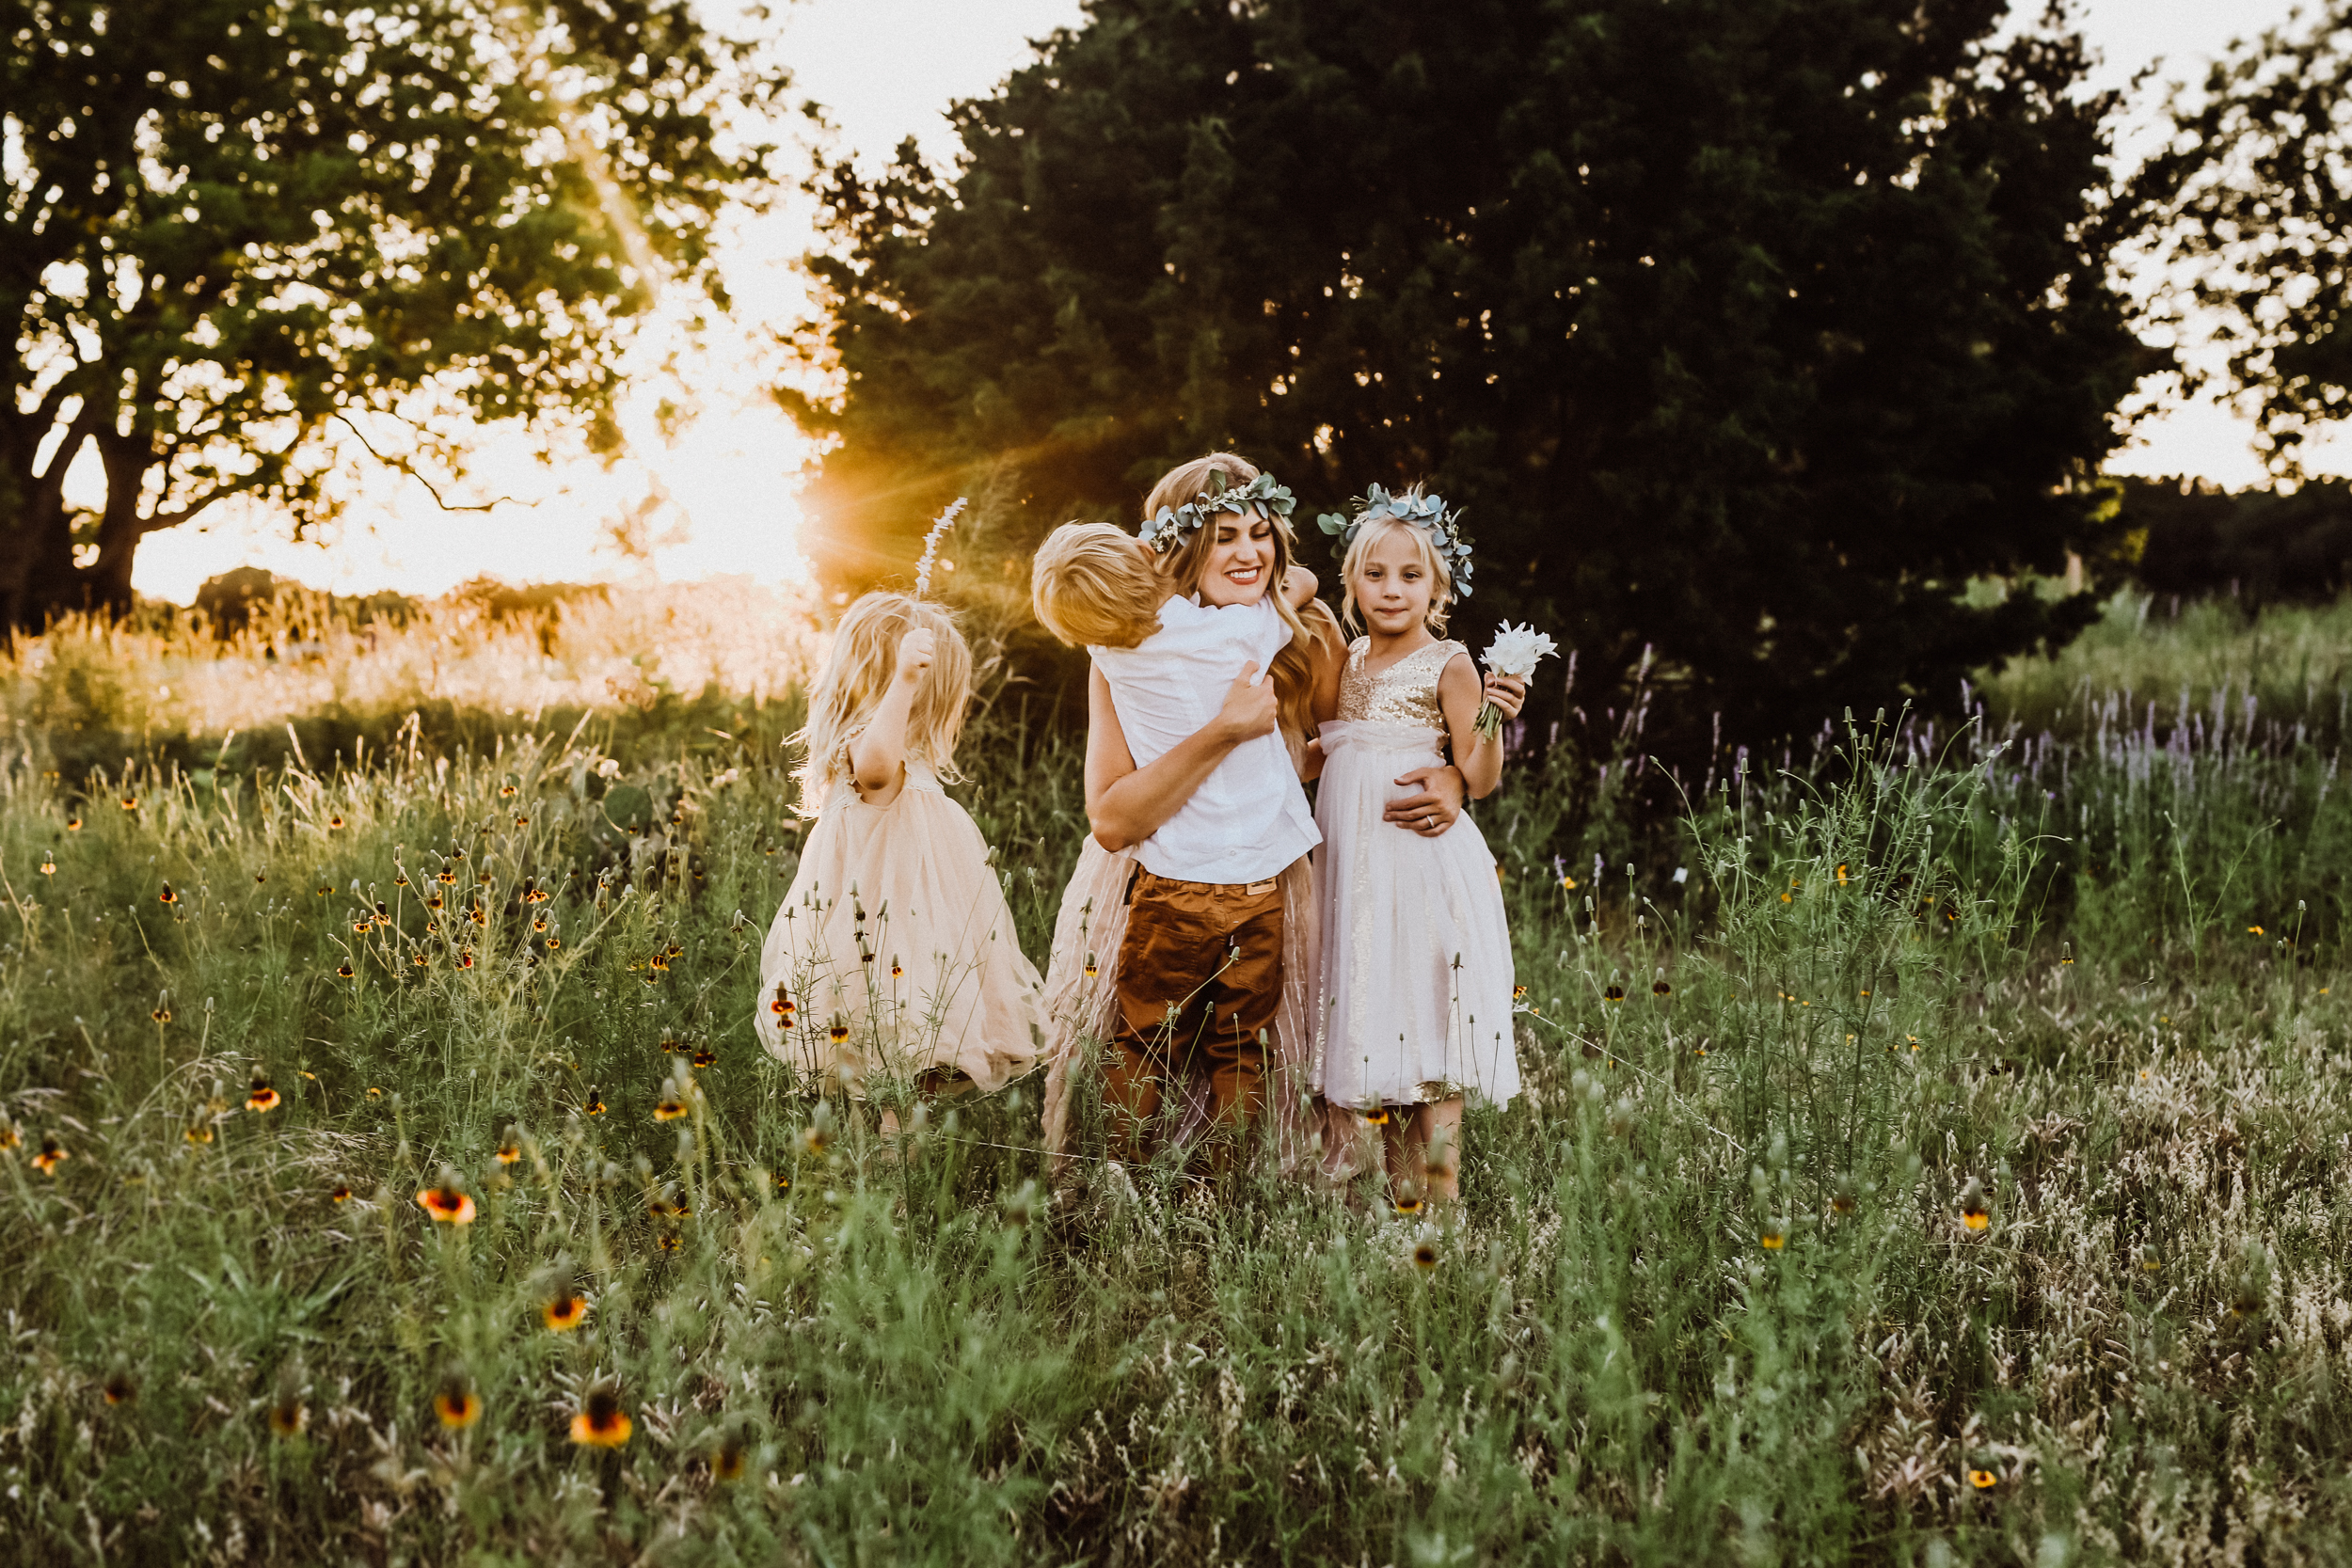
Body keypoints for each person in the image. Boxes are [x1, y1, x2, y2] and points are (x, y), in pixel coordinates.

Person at [1029, 454, 1336, 1180]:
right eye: (1224, 535)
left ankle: (1128, 1178)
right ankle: (1224, 1181)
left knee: (1147, 1041)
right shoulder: (1248, 633)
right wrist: (1227, 729)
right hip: (1190, 872)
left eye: (1261, 533)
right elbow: (1111, 819)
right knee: (1239, 1045)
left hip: (1201, 874)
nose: (1250, 553)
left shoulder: (1114, 639)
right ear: (1176, 548)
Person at [753, 592, 1041, 1135]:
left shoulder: (914, 755)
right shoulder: (865, 746)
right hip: (871, 931)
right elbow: (878, 772)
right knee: (881, 1047)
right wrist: (904, 682)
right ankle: (882, 1175)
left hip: (921, 924)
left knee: (911, 1058)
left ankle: (890, 1168)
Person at [1311, 486, 1525, 1208]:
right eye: (1375, 574)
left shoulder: (1449, 661)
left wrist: (1493, 719)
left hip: (1420, 865)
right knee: (1375, 1015)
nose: (1392, 589)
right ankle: (1375, 1197)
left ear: (1439, 586)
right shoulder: (1345, 659)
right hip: (1356, 875)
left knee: (1427, 1020)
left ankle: (1436, 1203)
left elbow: (1480, 775)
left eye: (1411, 575)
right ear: (1351, 583)